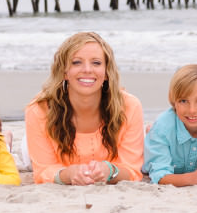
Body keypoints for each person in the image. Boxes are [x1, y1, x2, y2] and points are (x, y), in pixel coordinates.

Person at [25, 31, 144, 184]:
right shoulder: (39, 110)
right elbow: (43, 171)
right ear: (64, 72)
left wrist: (109, 170)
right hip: (38, 146)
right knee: (27, 159)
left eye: (96, 63)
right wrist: (68, 174)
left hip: (109, 165)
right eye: (76, 62)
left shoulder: (130, 107)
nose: (87, 69)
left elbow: (132, 171)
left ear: (107, 72)